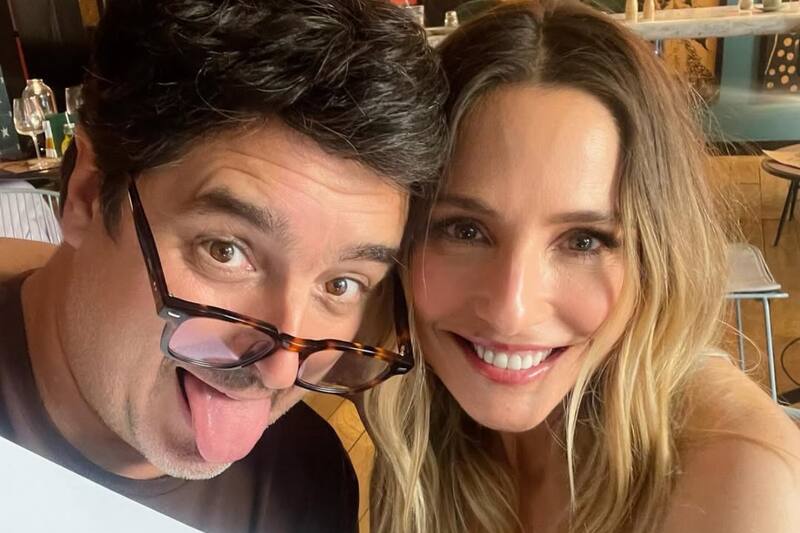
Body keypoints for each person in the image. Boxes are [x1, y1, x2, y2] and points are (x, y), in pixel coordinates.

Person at [0, 0, 447, 531]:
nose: (281, 369)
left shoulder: (305, 482)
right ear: (89, 194)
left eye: (341, 284)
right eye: (225, 251)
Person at [364, 1, 800, 532]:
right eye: (465, 230)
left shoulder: (742, 483)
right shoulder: (412, 415)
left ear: (657, 258)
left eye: (583, 241)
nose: (511, 311)